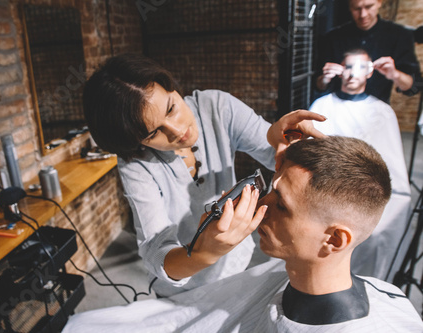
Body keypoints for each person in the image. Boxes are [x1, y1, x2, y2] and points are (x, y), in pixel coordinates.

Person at [62, 136, 423, 332]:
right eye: (270, 186)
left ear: (334, 240)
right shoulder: (276, 278)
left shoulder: (390, 315)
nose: (258, 204)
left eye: (279, 204)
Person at [83, 53, 326, 297]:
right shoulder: (136, 164)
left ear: (172, 88)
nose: (177, 131)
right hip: (183, 288)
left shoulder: (217, 107)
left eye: (171, 109)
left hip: (238, 265)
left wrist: (282, 144)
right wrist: (204, 252)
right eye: (153, 133)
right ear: (136, 142)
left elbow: (277, 158)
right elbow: (156, 250)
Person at [310, 48, 412, 280]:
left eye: (360, 68)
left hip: (368, 188)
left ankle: (368, 281)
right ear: (340, 70)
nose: (352, 74)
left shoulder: (382, 112)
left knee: (379, 231)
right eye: (348, 67)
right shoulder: (322, 106)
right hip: (328, 187)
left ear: (369, 73)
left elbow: (391, 166)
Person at [316, 0, 421, 104]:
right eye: (357, 8)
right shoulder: (332, 38)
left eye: (369, 6)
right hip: (338, 110)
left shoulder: (399, 36)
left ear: (379, 2)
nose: (363, 14)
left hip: (376, 114)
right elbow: (318, 86)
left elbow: (414, 87)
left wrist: (395, 74)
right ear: (349, 7)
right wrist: (325, 79)